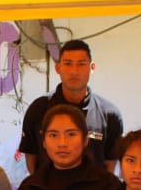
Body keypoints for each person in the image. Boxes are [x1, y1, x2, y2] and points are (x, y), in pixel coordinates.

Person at [10, 104, 118, 190]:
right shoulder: (29, 188)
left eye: (71, 134)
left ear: (85, 139)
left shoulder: (107, 186)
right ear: (44, 142)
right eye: (53, 135)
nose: (62, 143)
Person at [19, 39, 123, 174]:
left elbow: (110, 163)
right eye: (68, 64)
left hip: (94, 187)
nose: (74, 71)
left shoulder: (109, 114)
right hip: (49, 186)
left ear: (92, 68)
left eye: (81, 64)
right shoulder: (38, 109)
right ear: (58, 68)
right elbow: (31, 155)